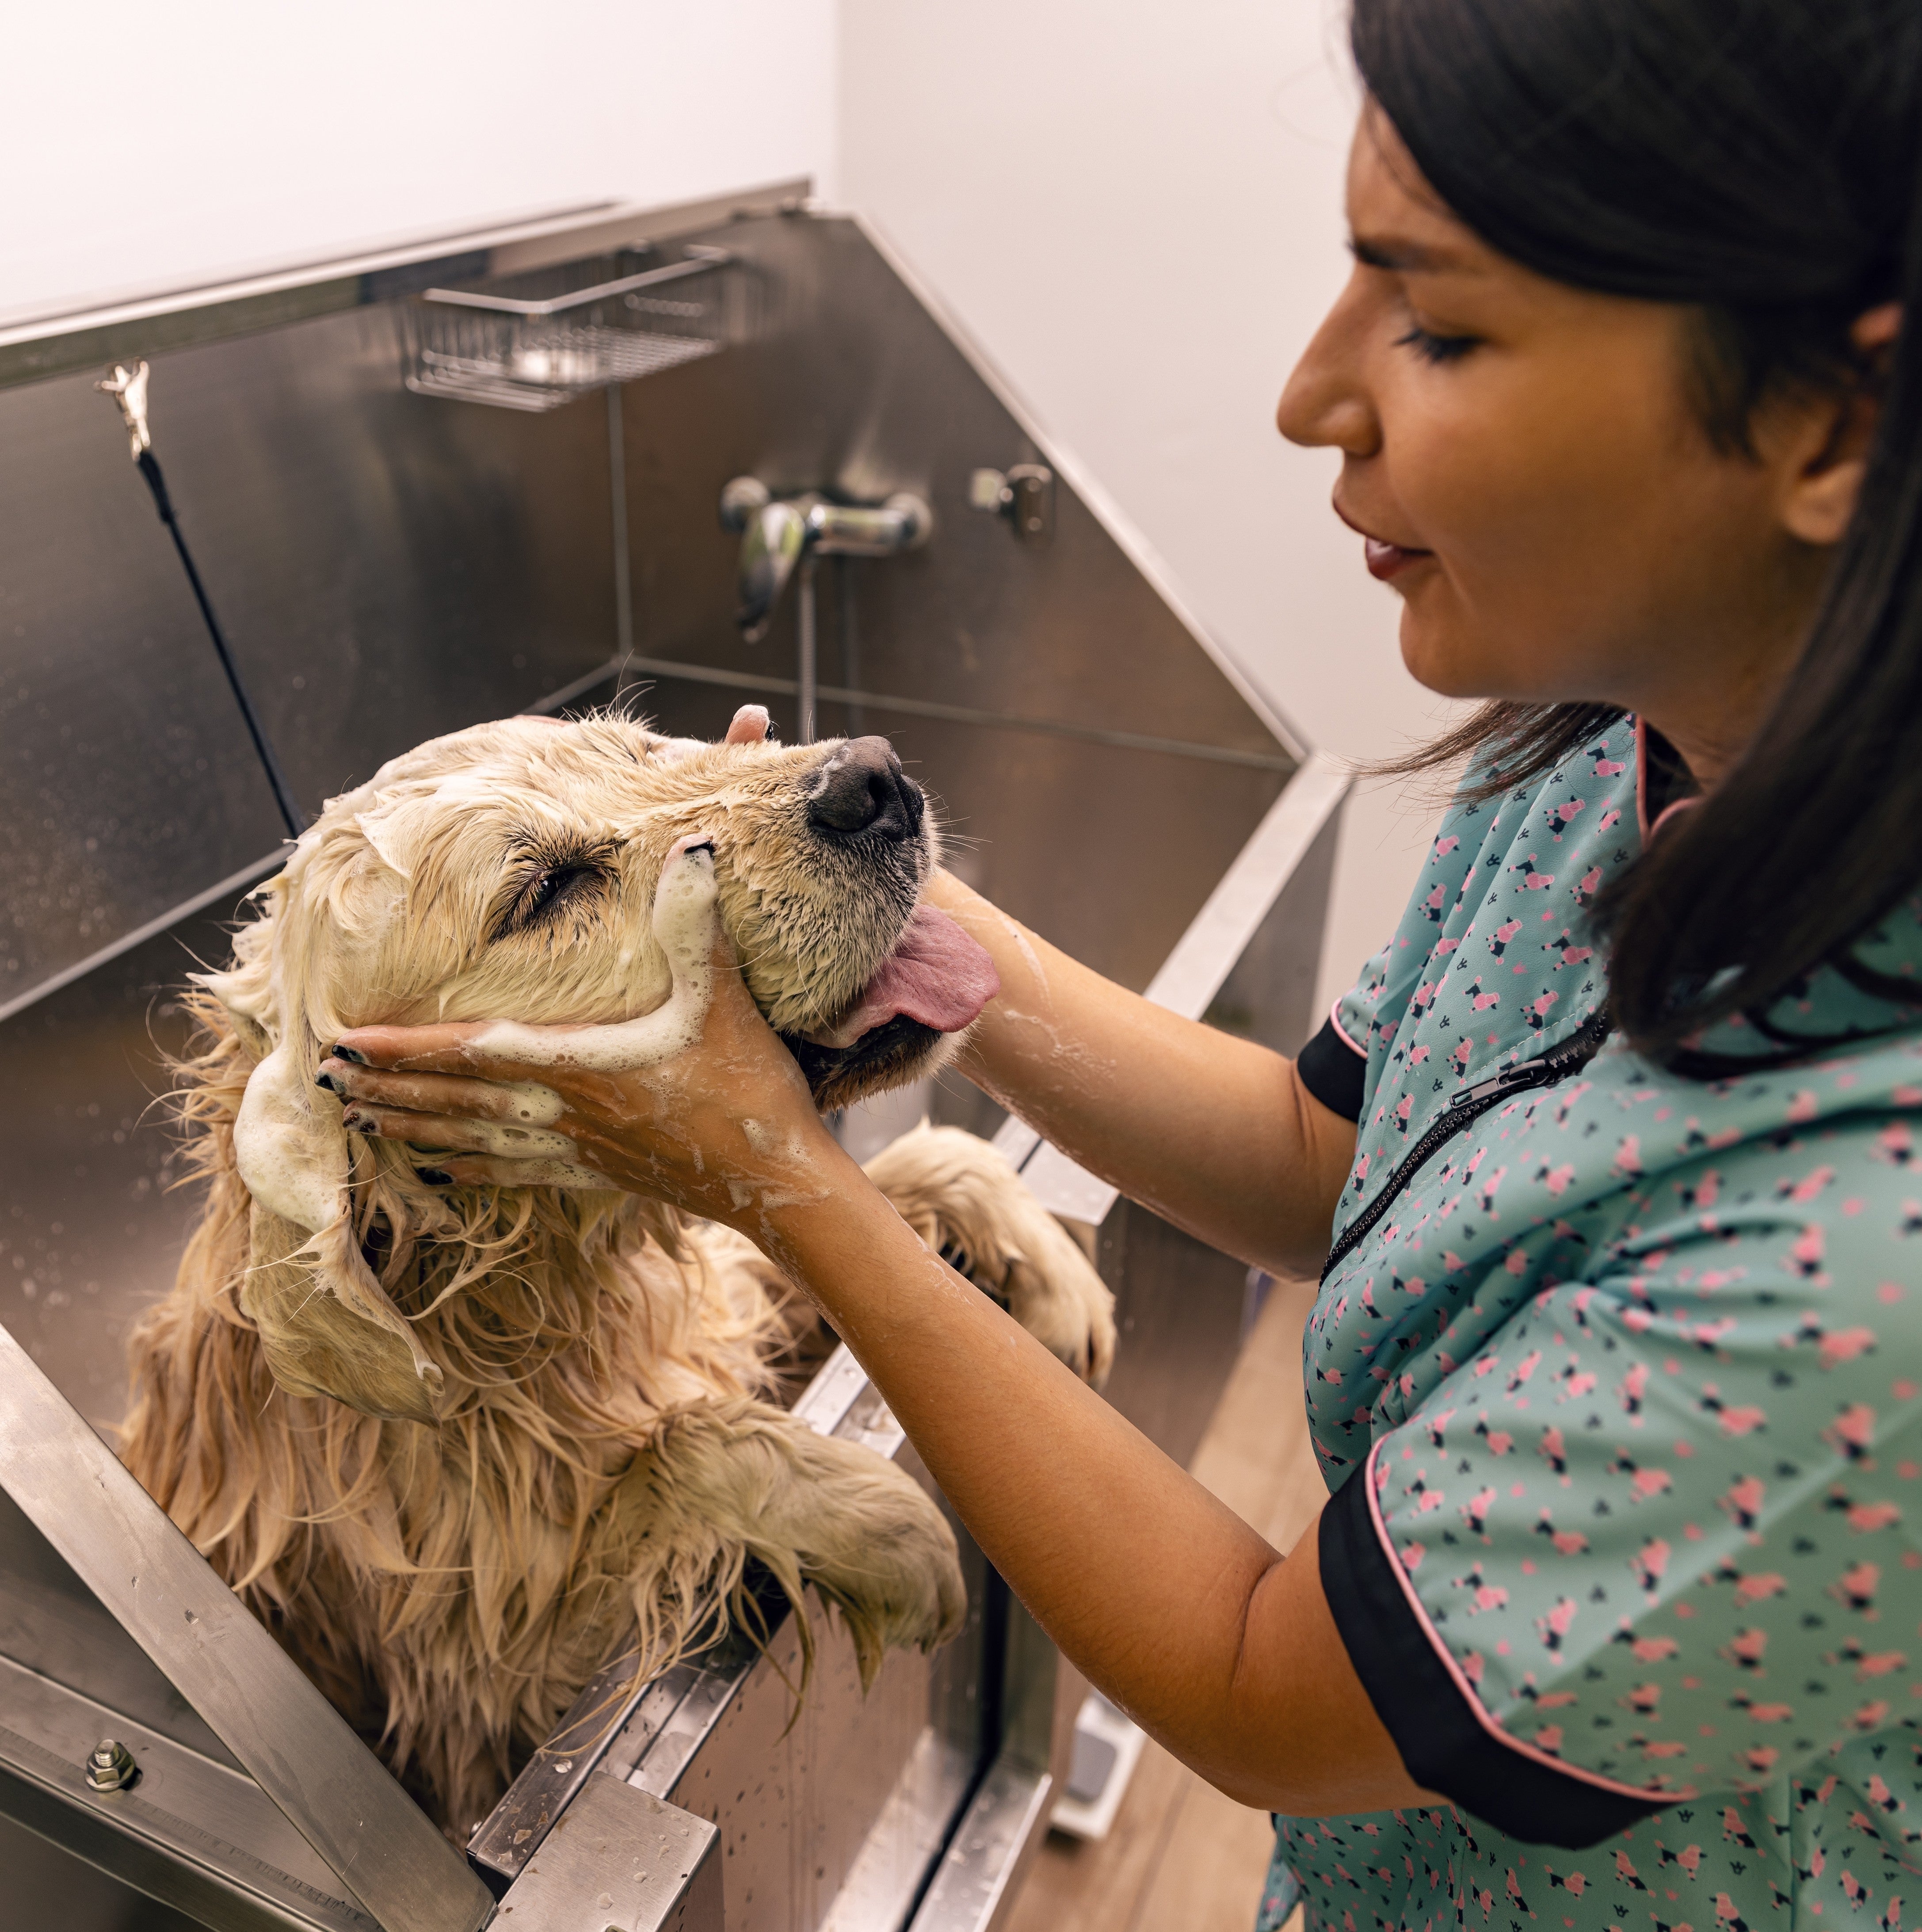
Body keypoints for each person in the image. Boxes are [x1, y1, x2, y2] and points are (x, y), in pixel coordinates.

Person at [318, 1, 1922, 1924]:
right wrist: (888, 915)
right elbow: (1335, 1163)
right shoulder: (1625, 732)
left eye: (1438, 324)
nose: (1306, 392)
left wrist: (786, 1186)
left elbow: (1266, 1680)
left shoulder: (1868, 1260)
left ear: (1830, 421)